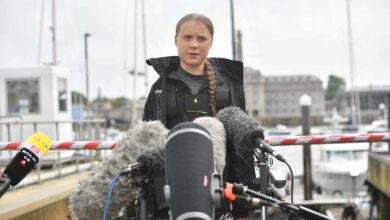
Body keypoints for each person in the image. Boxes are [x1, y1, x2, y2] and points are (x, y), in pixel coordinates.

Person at [143, 13, 256, 219]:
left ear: (211, 42)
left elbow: (240, 149)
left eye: (201, 38)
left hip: (220, 193)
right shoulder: (160, 89)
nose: (194, 45)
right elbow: (149, 143)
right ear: (176, 40)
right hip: (174, 194)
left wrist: (242, 208)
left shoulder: (229, 87)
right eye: (187, 38)